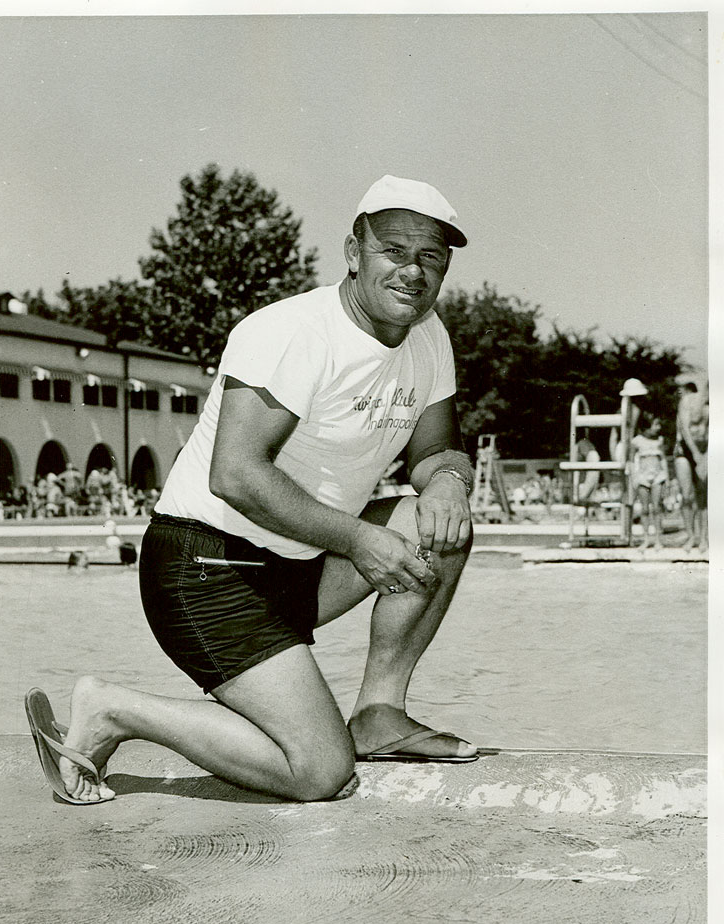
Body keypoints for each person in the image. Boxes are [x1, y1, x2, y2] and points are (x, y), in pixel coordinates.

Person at [26, 174, 480, 806]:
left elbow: (435, 448)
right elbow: (235, 474)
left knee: (440, 527)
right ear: (354, 253)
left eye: (431, 256)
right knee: (319, 773)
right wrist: (359, 539)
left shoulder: (428, 336)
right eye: (395, 250)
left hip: (297, 568)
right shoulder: (292, 332)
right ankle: (114, 710)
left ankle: (380, 710)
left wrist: (451, 483)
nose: (413, 271)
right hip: (206, 568)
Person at [673, 373, 708, 552]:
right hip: (685, 450)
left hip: (705, 450)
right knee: (687, 495)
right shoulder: (688, 401)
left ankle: (703, 538)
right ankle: (691, 535)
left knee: (703, 496)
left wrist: (706, 457)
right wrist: (696, 454)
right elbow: (685, 430)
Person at [631, 413, 669, 550]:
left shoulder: (659, 440)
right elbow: (632, 461)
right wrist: (634, 478)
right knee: (645, 508)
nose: (658, 428)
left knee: (657, 507)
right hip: (642, 476)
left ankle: (658, 539)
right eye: (655, 425)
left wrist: (667, 478)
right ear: (646, 427)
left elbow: (663, 459)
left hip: (657, 475)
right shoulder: (637, 441)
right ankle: (646, 539)